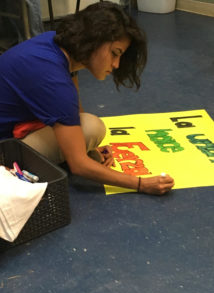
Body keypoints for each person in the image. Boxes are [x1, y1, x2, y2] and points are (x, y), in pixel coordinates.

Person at [0, 1, 174, 195]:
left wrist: (86, 149)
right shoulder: (54, 79)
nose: (116, 64)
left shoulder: (56, 44)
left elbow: (74, 114)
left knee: (87, 129)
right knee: (92, 128)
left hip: (12, 126)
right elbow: (79, 166)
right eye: (114, 53)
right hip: (3, 150)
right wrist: (141, 183)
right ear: (94, 40)